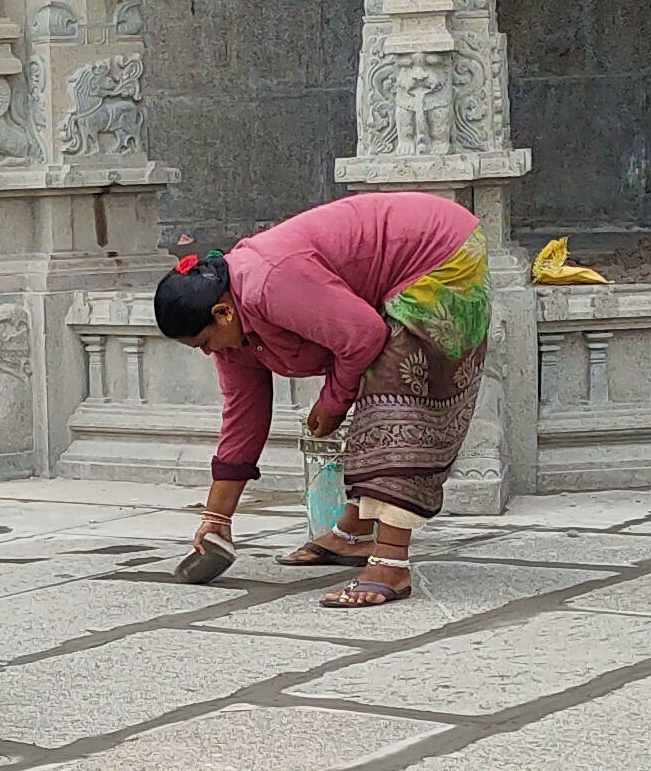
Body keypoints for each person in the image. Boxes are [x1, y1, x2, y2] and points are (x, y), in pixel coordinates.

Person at [155, 190, 494, 606]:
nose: (211, 353)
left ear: (222, 313)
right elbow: (243, 418)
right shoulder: (233, 335)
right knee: (379, 396)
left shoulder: (267, 284)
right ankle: (353, 535)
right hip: (402, 268)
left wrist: (333, 401)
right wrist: (217, 517)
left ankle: (391, 564)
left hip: (437, 253)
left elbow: (363, 335)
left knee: (398, 403)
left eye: (206, 343)